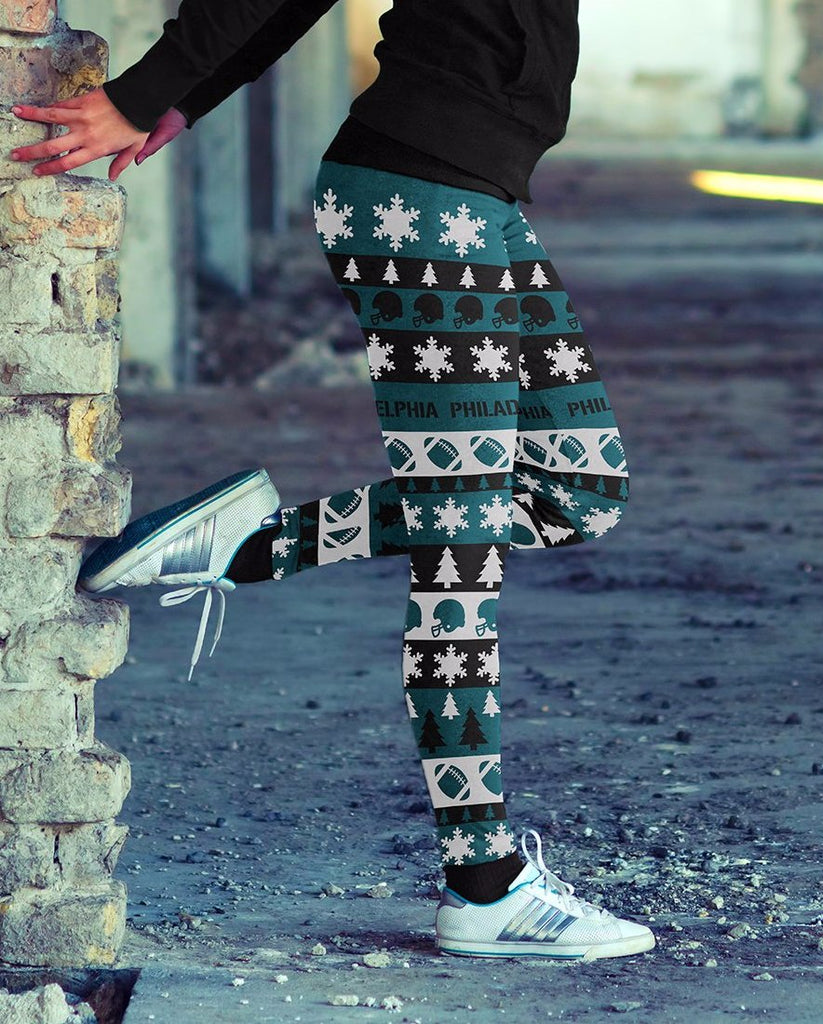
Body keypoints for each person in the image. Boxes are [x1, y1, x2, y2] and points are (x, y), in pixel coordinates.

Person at [8, 1, 654, 961]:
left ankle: (243, 544)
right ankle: (482, 886)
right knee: (459, 554)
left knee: (577, 487)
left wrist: (192, 92)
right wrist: (150, 91)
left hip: (470, 194)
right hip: (422, 198)